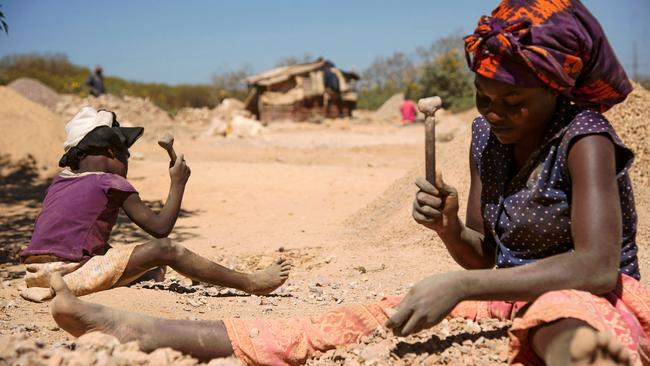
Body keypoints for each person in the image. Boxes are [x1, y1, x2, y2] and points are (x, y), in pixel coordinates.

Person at [47, 1, 650, 365]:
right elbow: (492, 259)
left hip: (590, 301)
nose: (494, 112)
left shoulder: (586, 138)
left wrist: (463, 283)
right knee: (340, 324)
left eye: (513, 101)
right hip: (507, 293)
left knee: (567, 327)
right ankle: (139, 328)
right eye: (483, 95)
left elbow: (597, 267)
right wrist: (449, 231)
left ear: (557, 88)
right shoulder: (483, 138)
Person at [20, 107, 290, 302]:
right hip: (70, 274)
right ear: (112, 152)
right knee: (166, 251)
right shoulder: (110, 182)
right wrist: (178, 183)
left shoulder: (60, 182)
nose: (127, 163)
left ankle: (152, 276)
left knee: (125, 256)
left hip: (37, 274)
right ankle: (251, 283)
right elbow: (161, 230)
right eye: (127, 155)